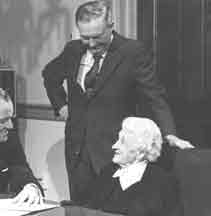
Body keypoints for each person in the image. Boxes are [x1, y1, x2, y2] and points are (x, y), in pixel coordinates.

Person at [42, 0, 193, 203]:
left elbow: (154, 96)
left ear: (110, 25)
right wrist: (61, 105)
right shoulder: (73, 50)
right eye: (85, 37)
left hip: (114, 151)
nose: (91, 44)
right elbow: (50, 75)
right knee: (80, 209)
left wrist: (170, 133)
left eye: (97, 37)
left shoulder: (132, 52)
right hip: (77, 153)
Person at [83, 117, 182, 216]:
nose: (114, 146)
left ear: (141, 147)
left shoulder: (162, 182)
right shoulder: (107, 173)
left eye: (122, 142)